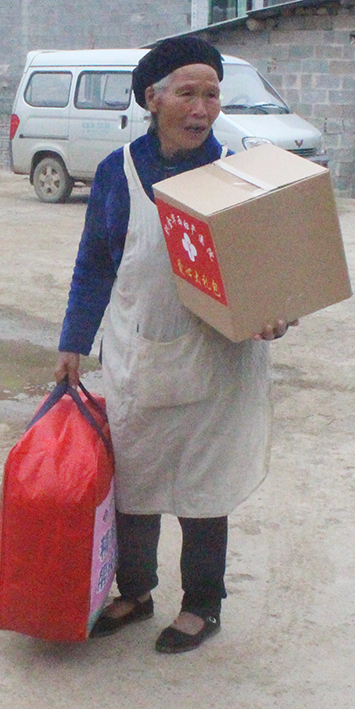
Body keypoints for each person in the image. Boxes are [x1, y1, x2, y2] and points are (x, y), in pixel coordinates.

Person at [54, 36, 294, 653]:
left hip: (220, 361)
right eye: (187, 93)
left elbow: (274, 270)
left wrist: (276, 313)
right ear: (152, 99)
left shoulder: (239, 171)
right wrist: (73, 340)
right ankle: (134, 591)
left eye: (212, 93)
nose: (202, 107)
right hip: (141, 352)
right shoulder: (119, 172)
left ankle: (202, 605)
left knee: (203, 489)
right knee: (135, 482)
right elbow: (95, 264)